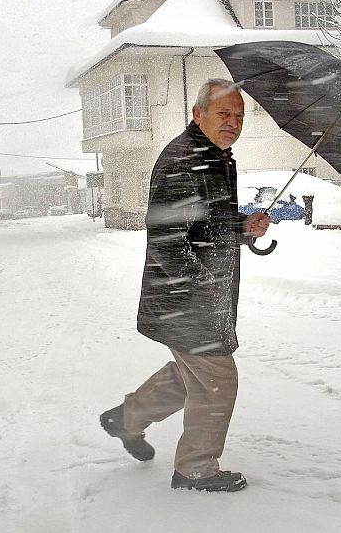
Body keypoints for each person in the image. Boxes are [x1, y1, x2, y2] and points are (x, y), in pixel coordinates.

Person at [100, 79, 270, 492]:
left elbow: (202, 225)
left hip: (197, 296)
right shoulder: (182, 161)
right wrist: (204, 287)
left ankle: (126, 419)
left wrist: (242, 227)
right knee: (216, 380)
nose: (232, 123)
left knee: (195, 374)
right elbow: (166, 240)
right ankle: (195, 469)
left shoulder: (215, 156)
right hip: (187, 298)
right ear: (198, 114)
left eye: (239, 116)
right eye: (223, 114)